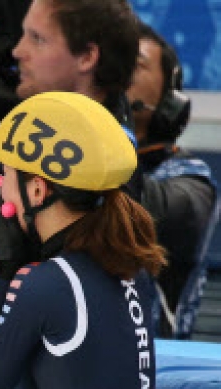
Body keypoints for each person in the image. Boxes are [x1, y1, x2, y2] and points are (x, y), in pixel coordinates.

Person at [0, 91, 167, 388]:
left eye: (5, 174)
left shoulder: (46, 284)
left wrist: (4, 270)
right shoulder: (131, 266)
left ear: (37, 190)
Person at [126, 23, 219, 339]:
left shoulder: (192, 180)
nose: (117, 74)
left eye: (134, 63)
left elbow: (131, 210)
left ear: (170, 98)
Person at [0, 0, 140, 163]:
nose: (17, 51)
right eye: (24, 35)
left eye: (37, 39)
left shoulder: (102, 168)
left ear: (87, 57)